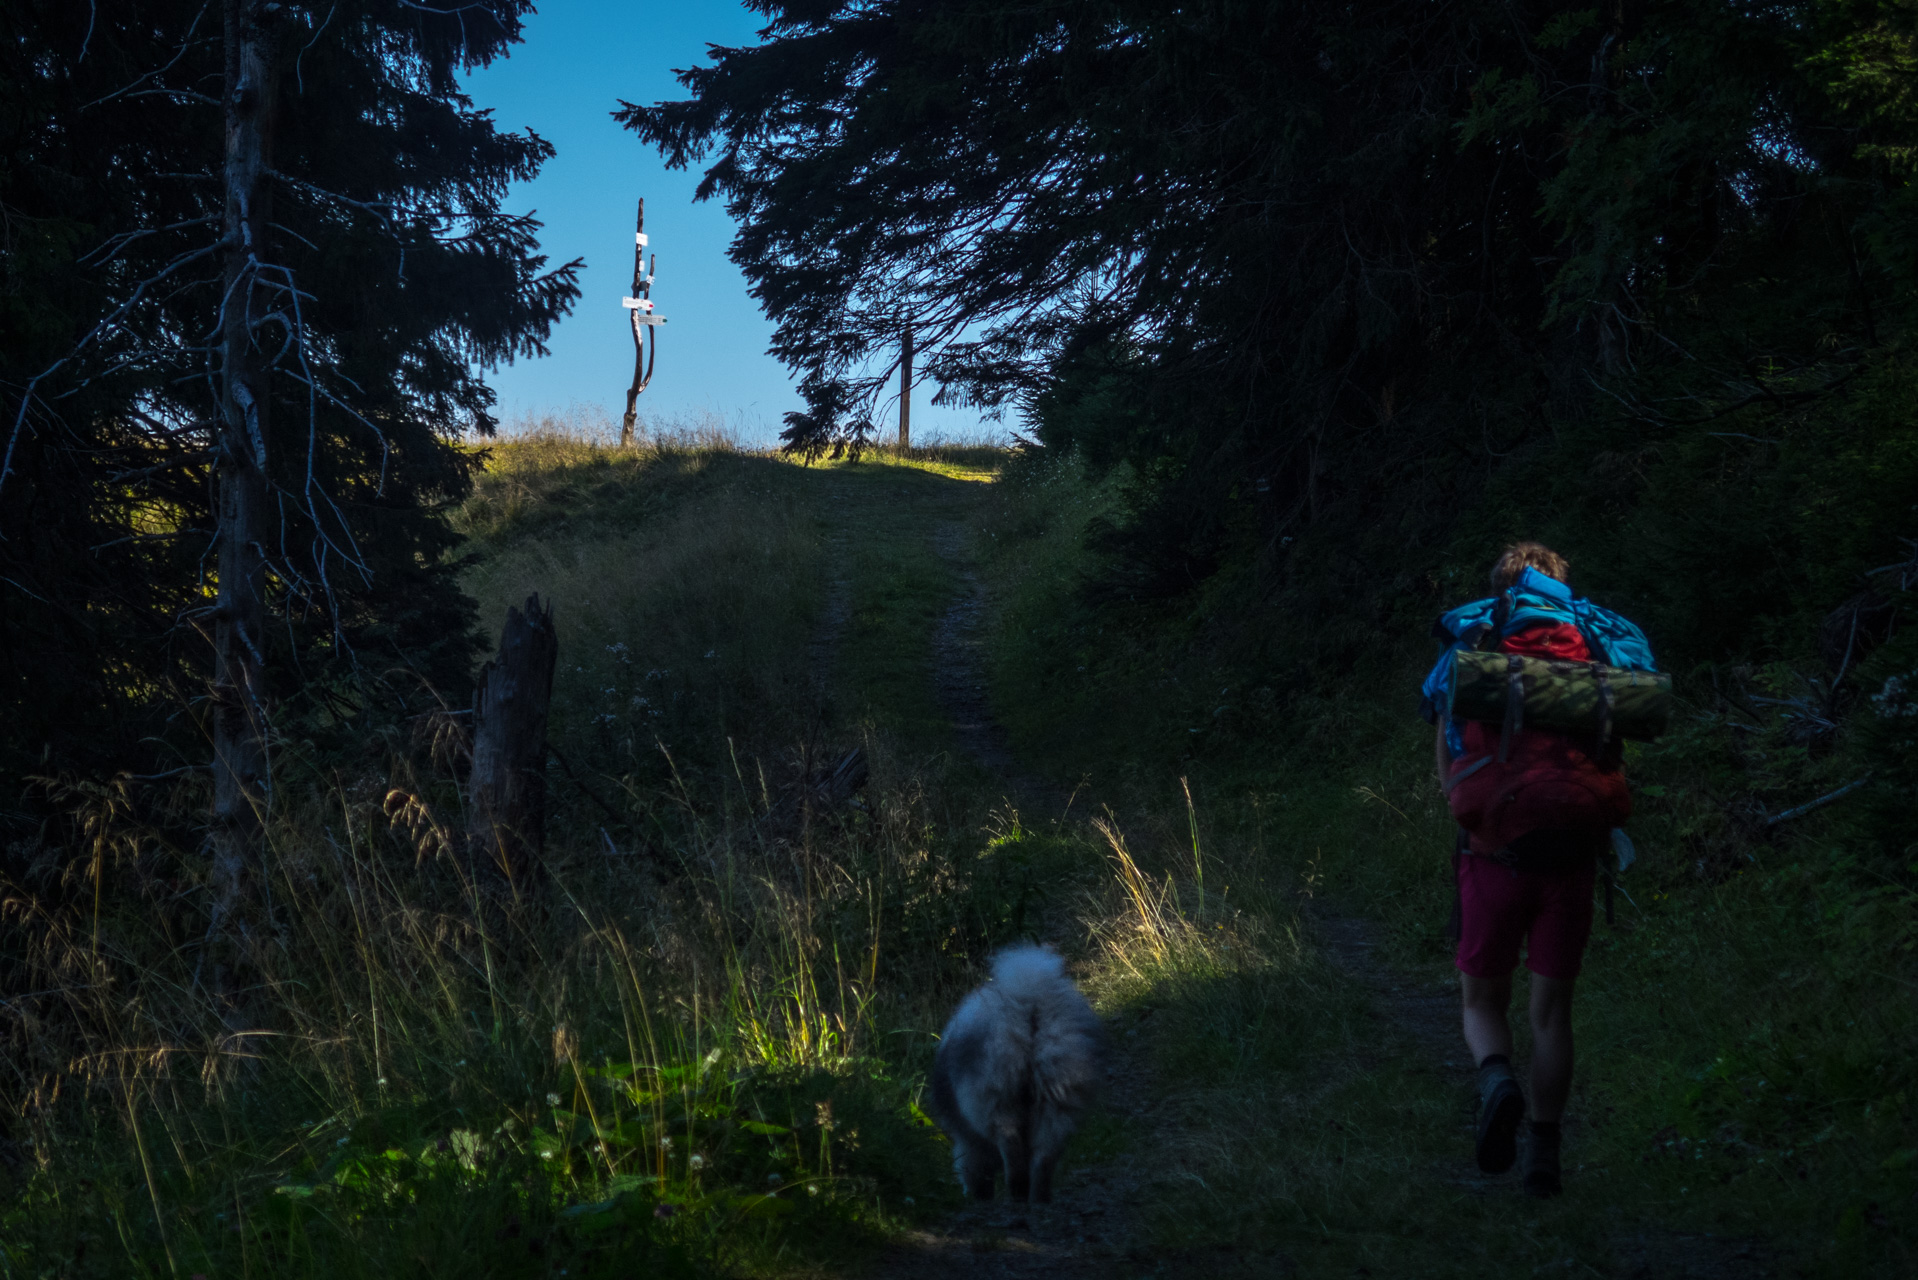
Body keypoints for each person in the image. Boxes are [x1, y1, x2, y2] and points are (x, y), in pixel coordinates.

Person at [1419, 542, 1655, 1197]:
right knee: (1552, 1014)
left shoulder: (1479, 634)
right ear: (1561, 585)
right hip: (1574, 853)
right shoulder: (1596, 639)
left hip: (1495, 848)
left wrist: (1459, 800)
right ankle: (1544, 1157)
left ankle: (1496, 1081)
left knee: (1481, 998)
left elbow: (1445, 729)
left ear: (1502, 584)